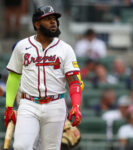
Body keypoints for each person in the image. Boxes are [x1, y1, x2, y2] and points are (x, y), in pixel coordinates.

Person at [4, 5, 82, 150]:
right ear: (37, 24)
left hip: (55, 104)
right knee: (21, 146)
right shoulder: (22, 46)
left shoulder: (66, 48)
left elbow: (74, 81)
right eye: (48, 19)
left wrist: (76, 105)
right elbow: (14, 77)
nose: (53, 22)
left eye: (55, 19)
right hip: (28, 104)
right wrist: (9, 106)